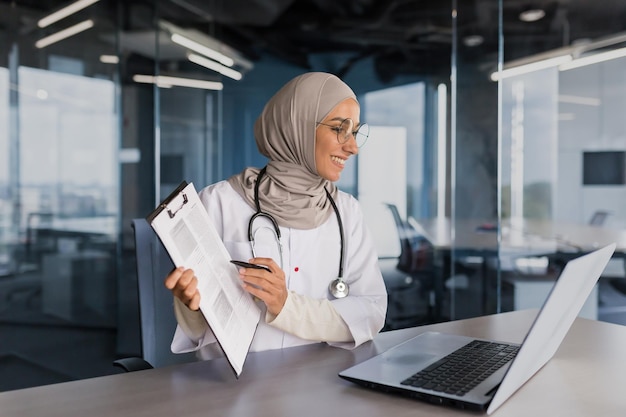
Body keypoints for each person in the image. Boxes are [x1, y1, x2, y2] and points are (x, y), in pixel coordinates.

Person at [165, 72, 387, 358]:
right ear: (296, 126)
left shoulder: (347, 212)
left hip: (322, 385)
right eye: (339, 129)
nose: (352, 146)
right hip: (233, 391)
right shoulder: (218, 203)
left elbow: (370, 313)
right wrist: (189, 305)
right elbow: (197, 329)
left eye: (355, 132)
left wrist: (287, 306)